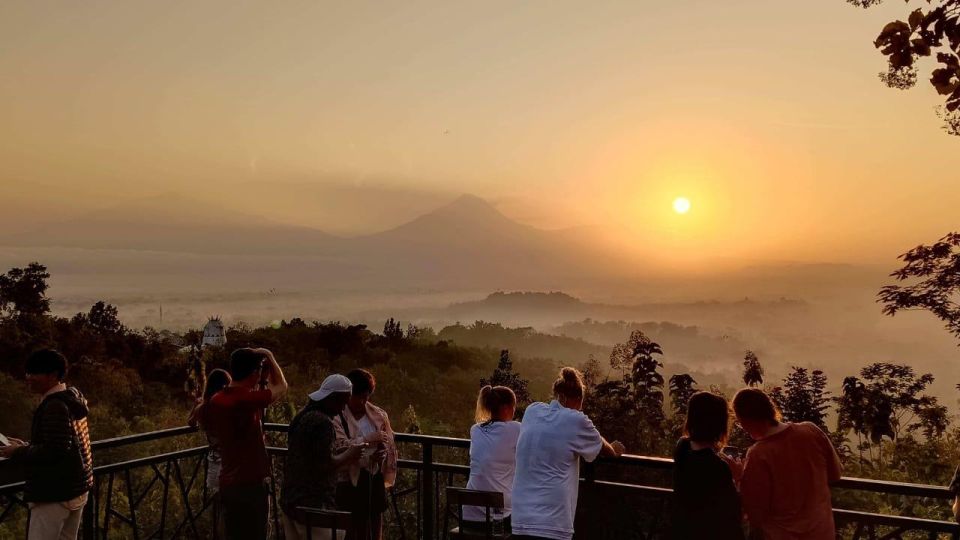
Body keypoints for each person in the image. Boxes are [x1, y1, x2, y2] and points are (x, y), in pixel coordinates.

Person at [511, 367, 625, 540]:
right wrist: (615, 450)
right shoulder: (576, 419)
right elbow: (602, 446)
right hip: (552, 522)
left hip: (520, 519)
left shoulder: (532, 411)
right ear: (579, 399)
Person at [0, 349, 93, 540]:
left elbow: (56, 450)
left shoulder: (54, 405)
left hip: (54, 493)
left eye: (34, 373)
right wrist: (27, 445)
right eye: (28, 372)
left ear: (53, 375)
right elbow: (64, 441)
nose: (28, 378)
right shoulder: (71, 398)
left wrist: (18, 452)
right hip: (76, 488)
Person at [733, 388, 842, 540]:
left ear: (744, 419)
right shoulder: (811, 431)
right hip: (822, 532)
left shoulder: (759, 454)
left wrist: (740, 478)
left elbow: (756, 515)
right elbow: (835, 474)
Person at [207, 347, 288, 540]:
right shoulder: (246, 399)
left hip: (228, 481)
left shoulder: (217, 399)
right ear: (254, 373)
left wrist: (261, 378)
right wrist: (270, 355)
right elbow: (282, 387)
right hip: (250, 483)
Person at [281, 374, 365, 540]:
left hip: (290, 500)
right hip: (313, 505)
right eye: (342, 403)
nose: (342, 409)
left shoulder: (301, 416)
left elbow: (311, 461)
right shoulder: (323, 423)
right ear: (332, 398)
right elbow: (325, 464)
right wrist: (351, 453)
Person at [333, 369, 398, 540]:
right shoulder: (338, 416)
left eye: (365, 397)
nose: (362, 402)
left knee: (373, 528)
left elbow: (388, 444)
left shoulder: (377, 415)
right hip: (348, 482)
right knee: (350, 530)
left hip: (372, 478)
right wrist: (369, 440)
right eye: (358, 397)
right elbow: (340, 446)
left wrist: (382, 453)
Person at [671, 391, 745, 540]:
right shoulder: (717, 466)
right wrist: (738, 477)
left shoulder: (682, 447)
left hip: (684, 529)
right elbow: (733, 512)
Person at [462, 385, 521, 534]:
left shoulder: (475, 430)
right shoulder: (515, 429)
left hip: (468, 514)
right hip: (498, 517)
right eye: (514, 407)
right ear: (507, 408)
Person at [187, 368, 231, 538]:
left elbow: (190, 423)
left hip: (214, 461)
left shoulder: (204, 407)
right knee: (230, 510)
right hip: (230, 462)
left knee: (220, 508)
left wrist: (196, 404)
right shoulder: (226, 406)